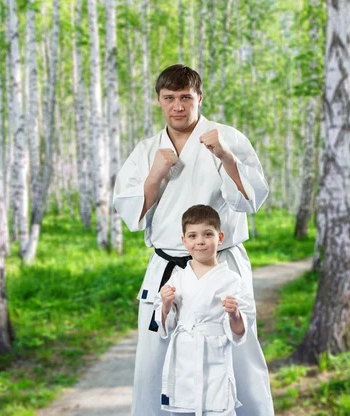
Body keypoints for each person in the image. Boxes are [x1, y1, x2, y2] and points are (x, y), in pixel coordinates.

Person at [113, 64, 273, 416]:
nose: (178, 106)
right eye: (169, 98)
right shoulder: (146, 151)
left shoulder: (227, 137)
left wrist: (226, 157)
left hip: (221, 264)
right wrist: (155, 174)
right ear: (159, 101)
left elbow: (252, 200)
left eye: (186, 97)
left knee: (238, 351)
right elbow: (131, 216)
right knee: (155, 356)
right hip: (169, 267)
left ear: (199, 97)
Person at [154, 205, 259, 416]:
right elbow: (166, 323)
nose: (200, 241)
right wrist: (165, 305)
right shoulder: (178, 277)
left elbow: (240, 331)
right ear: (184, 241)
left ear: (219, 238)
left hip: (214, 356)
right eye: (192, 235)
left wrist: (234, 314)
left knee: (219, 406)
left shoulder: (232, 280)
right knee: (183, 408)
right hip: (183, 356)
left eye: (207, 234)